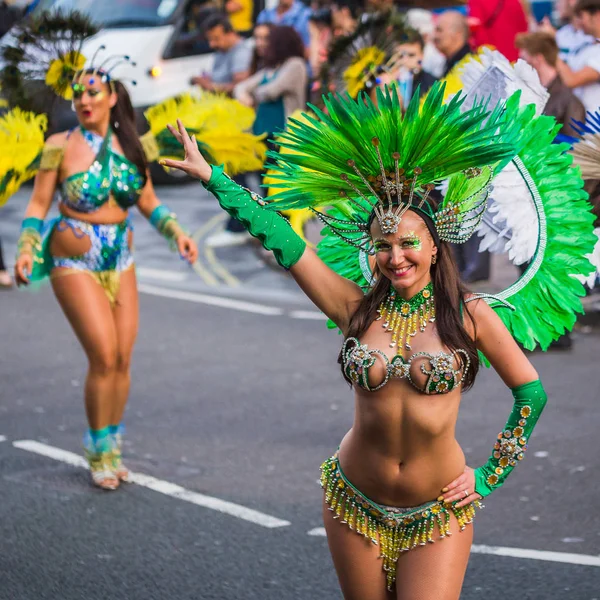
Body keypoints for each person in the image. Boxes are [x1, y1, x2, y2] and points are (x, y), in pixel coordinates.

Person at [159, 79, 579, 597]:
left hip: (437, 508)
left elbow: (531, 393)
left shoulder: (470, 314)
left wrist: (489, 474)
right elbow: (285, 241)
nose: (395, 257)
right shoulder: (354, 307)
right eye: (383, 245)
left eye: (407, 243)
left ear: (433, 245)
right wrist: (213, 178)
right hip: (353, 499)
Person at [13, 67, 198, 491]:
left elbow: (148, 201)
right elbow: (39, 203)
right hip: (72, 261)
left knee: (122, 359)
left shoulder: (133, 144)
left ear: (113, 97)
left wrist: (178, 234)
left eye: (93, 92)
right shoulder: (57, 146)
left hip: (122, 258)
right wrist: (25, 248)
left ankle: (113, 445)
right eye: (78, 94)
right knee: (103, 354)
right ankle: (97, 452)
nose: (84, 100)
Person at [234, 25, 307, 139]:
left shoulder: (296, 64)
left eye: (268, 41)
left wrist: (252, 94)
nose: (263, 44)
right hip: (262, 132)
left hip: (285, 135)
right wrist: (244, 96)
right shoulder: (271, 68)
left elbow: (272, 91)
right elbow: (240, 87)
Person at [516, 31, 586, 137]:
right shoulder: (531, 92)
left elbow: (574, 147)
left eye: (524, 59)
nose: (519, 64)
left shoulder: (570, 101)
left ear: (538, 59)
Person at [553, 0, 600, 113]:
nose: (579, 21)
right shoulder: (588, 46)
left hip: (593, 126)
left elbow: (571, 80)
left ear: (597, 15)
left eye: (581, 16)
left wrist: (550, 47)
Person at [191, 13, 252, 95]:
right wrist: (203, 80)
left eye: (216, 38)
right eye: (209, 40)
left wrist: (210, 87)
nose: (211, 44)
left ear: (230, 33)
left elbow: (240, 87)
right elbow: (216, 78)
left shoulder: (241, 53)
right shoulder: (221, 51)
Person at [433, 10, 472, 76]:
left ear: (458, 33)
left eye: (439, 30)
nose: (435, 36)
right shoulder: (449, 63)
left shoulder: (470, 66)